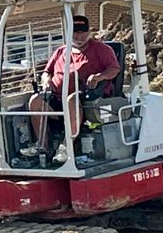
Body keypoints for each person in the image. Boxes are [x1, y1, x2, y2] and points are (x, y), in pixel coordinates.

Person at [28, 13, 121, 161]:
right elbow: (47, 71)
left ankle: (65, 148)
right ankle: (43, 146)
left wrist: (99, 76)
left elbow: (114, 69)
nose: (78, 36)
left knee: (72, 99)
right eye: (75, 32)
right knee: (35, 100)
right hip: (57, 97)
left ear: (88, 32)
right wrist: (46, 81)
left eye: (82, 32)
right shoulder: (61, 51)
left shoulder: (102, 50)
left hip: (86, 97)